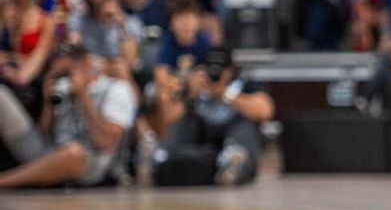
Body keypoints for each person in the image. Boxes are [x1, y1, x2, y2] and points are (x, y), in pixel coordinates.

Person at [0, 43, 137, 189]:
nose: (64, 78)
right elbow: (42, 137)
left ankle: (4, 182)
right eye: (59, 74)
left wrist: (83, 96)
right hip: (51, 154)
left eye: (67, 72)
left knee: (73, 153)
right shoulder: (60, 90)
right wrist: (48, 104)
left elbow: (107, 142)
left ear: (86, 64)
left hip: (91, 162)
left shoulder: (117, 89)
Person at [143, 46, 274, 186]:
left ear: (230, 71)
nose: (214, 76)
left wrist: (226, 95)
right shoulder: (196, 87)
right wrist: (190, 96)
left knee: (244, 124)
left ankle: (234, 162)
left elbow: (266, 111)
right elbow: (168, 119)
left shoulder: (244, 84)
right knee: (187, 121)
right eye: (210, 71)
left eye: (220, 71)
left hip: (231, 134)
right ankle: (158, 158)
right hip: (202, 142)